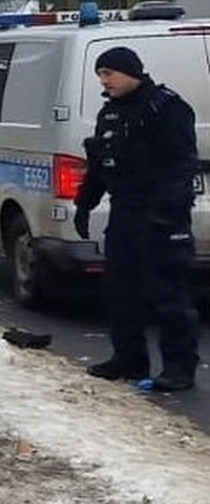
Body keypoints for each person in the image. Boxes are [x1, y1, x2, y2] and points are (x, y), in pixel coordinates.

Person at [73, 47, 200, 392]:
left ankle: (179, 366)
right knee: (119, 290)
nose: (104, 81)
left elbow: (182, 165)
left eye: (109, 73)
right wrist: (85, 204)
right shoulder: (110, 113)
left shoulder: (166, 108)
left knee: (168, 293)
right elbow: (99, 166)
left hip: (161, 216)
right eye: (100, 74)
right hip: (124, 212)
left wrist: (167, 210)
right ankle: (128, 358)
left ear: (131, 72)